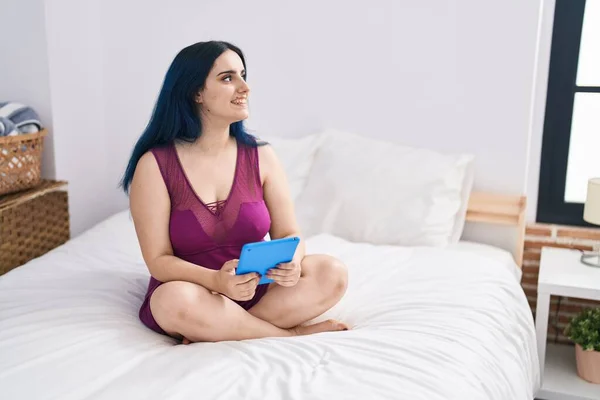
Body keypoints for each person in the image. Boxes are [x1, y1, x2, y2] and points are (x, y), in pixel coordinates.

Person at [120, 41, 349, 344]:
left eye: (242, 75)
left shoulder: (262, 156)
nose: (245, 87)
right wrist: (216, 281)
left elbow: (290, 233)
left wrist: (293, 261)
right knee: (170, 300)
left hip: (257, 291)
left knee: (332, 272)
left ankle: (220, 328)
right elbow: (158, 260)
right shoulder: (155, 165)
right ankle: (286, 334)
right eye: (228, 78)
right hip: (196, 292)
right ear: (196, 93)